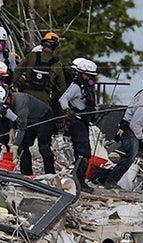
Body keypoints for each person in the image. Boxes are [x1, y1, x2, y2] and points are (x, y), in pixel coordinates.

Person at [92, 74, 143, 191]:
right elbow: (135, 124)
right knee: (131, 156)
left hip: (132, 127)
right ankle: (111, 181)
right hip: (131, 130)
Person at [59, 58, 99, 192]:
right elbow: (63, 99)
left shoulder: (88, 88)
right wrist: (68, 110)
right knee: (83, 152)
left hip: (84, 121)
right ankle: (79, 182)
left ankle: (79, 180)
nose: (91, 78)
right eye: (89, 75)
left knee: (84, 153)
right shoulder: (76, 86)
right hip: (76, 122)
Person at [13, 32, 66, 112]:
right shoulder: (57, 65)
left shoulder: (31, 56)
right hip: (44, 101)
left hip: (26, 96)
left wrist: (16, 85)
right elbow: (61, 88)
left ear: (43, 44)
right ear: (55, 47)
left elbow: (17, 70)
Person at [13, 88, 56, 176]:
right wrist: (11, 129)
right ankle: (26, 174)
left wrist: (15, 145)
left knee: (44, 147)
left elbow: (22, 127)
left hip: (44, 117)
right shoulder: (7, 103)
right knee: (23, 146)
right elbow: (11, 116)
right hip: (31, 120)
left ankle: (51, 174)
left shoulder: (21, 103)